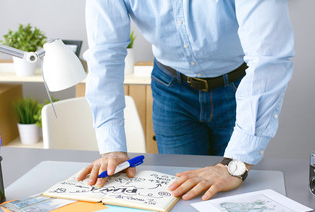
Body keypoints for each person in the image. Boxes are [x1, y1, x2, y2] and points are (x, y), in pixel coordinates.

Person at [77, 0, 294, 201]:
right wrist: (112, 148)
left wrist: (236, 165)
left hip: (238, 87)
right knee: (180, 194)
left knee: (236, 195)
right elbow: (105, 55)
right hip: (171, 89)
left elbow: (269, 57)